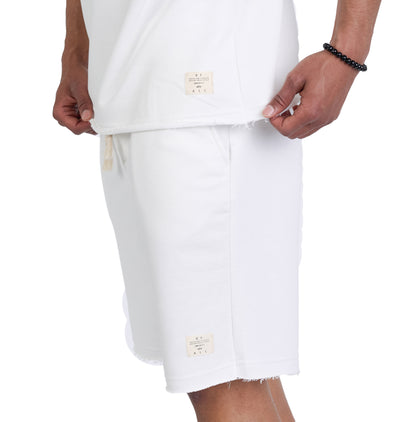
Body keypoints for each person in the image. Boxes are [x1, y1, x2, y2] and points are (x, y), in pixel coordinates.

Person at [53, 0, 381, 420]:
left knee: (222, 380)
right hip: (130, 95)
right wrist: (79, 50)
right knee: (237, 374)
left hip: (207, 100)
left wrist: (348, 50)